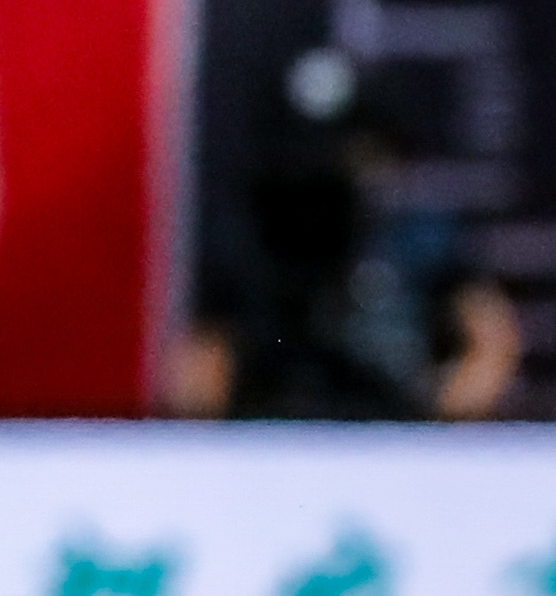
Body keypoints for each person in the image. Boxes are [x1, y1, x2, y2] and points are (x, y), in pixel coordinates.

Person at [171, 46, 522, 420]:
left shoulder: (418, 234)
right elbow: (206, 356)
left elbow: (490, 341)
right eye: (309, 160)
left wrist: (436, 431)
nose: (327, 180)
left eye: (349, 156)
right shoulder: (251, 236)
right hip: (273, 433)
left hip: (394, 430)